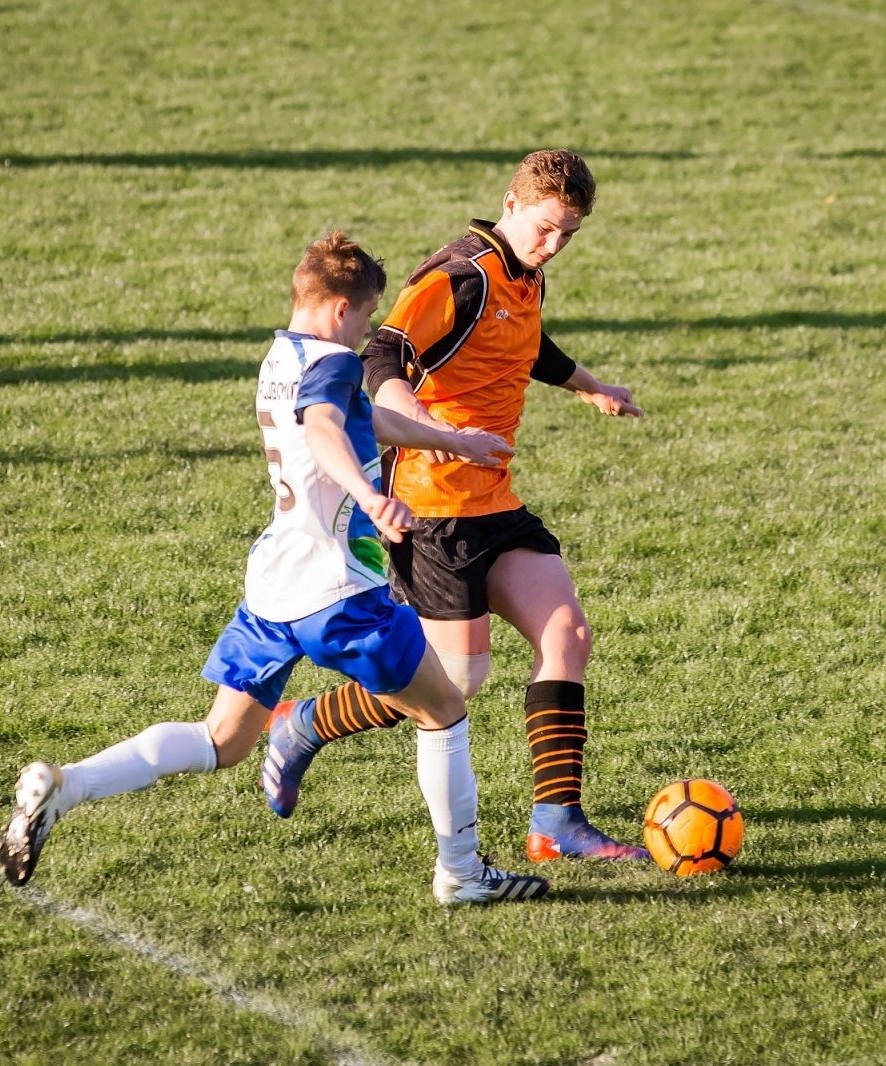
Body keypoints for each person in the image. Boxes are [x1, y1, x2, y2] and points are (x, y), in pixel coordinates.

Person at [0, 231, 549, 905]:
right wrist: (372, 495)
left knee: (221, 740)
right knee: (444, 711)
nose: (368, 331)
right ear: (342, 308)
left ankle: (66, 786)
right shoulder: (336, 364)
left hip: (273, 589)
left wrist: (446, 438)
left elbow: (358, 421)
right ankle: (462, 873)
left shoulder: (280, 356)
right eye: (368, 316)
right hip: (340, 592)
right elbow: (324, 425)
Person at [262, 151, 649, 863]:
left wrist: (591, 385)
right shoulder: (456, 276)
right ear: (511, 203)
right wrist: (432, 432)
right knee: (455, 682)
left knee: (567, 634)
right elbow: (383, 355)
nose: (553, 245)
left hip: (495, 500)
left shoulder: (522, 273)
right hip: (432, 509)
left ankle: (556, 821)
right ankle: (305, 721)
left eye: (568, 233)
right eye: (544, 228)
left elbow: (523, 345)